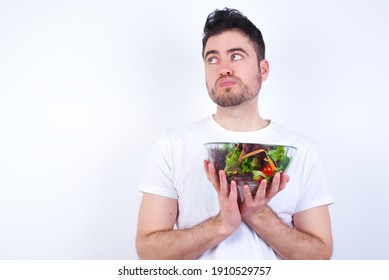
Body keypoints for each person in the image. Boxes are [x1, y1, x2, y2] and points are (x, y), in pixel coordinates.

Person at [136, 7, 334, 260]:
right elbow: (149, 252)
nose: (224, 68)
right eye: (213, 59)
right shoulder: (172, 145)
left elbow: (319, 257)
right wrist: (221, 225)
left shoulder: (301, 150)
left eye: (236, 56)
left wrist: (259, 215)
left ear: (263, 70)